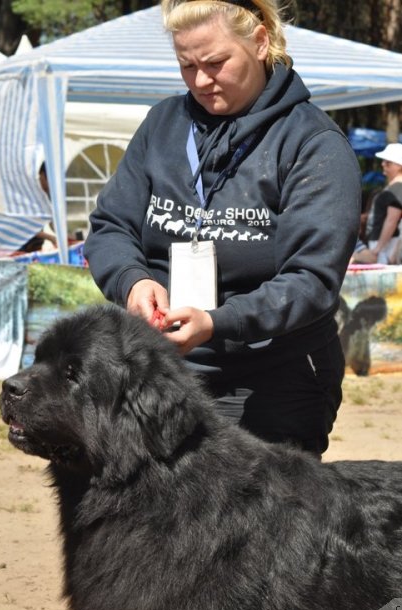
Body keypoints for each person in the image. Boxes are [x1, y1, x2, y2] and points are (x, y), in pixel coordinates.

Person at [84, 0, 361, 456]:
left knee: (257, 522)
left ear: (260, 41)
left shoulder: (313, 144)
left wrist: (217, 322)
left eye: (215, 63)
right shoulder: (164, 124)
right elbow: (111, 226)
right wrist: (133, 282)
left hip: (276, 377)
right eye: (186, 65)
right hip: (165, 370)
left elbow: (312, 280)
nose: (201, 80)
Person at [366, 143, 402, 265]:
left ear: (398, 165)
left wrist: (378, 248)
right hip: (383, 243)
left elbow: (392, 220)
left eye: (387, 162)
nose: (382, 164)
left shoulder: (398, 188)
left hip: (386, 245)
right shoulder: (394, 187)